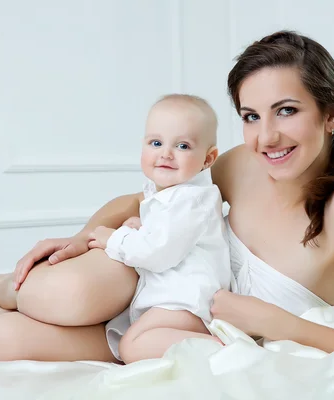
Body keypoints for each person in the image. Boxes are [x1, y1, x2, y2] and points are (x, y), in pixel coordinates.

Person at [0, 30, 334, 362]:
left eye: (287, 111)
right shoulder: (244, 162)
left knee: (1, 342)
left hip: (179, 326)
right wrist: (83, 236)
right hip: (154, 279)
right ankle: (16, 290)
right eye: (250, 116)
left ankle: (18, 306)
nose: (267, 136)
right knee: (64, 294)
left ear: (331, 114)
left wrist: (270, 322)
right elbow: (144, 200)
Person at [88, 94, 231, 363]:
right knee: (129, 338)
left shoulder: (191, 200)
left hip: (187, 303)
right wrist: (141, 228)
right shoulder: (169, 197)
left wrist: (116, 238)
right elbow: (167, 236)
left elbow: (157, 253)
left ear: (208, 158)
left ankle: (226, 350)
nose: (165, 153)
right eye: (156, 143)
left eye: (183, 146)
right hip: (171, 301)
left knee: (131, 346)